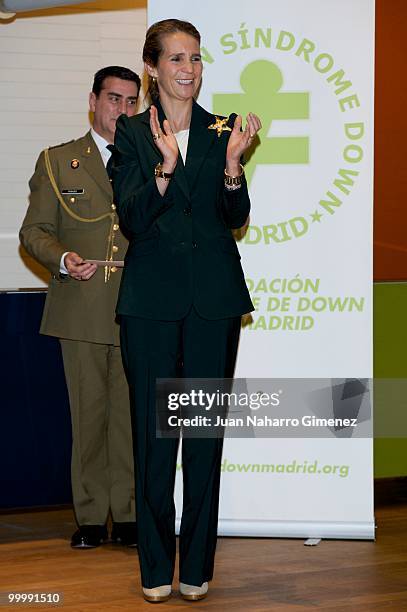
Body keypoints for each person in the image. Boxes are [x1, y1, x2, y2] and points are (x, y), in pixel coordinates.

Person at [111, 19, 261, 603]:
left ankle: (196, 568)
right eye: (176, 59)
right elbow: (133, 218)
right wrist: (166, 168)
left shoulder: (222, 127)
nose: (189, 70)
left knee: (202, 444)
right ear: (152, 67)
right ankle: (154, 569)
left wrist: (230, 167)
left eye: (196, 59)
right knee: (155, 444)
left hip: (213, 307)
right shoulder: (129, 133)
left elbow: (233, 216)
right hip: (150, 307)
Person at [19, 66, 141, 549]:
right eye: (114, 99)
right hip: (82, 306)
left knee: (130, 419)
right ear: (93, 101)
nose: (123, 110)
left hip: (137, 307)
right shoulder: (58, 160)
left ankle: (129, 515)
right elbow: (34, 232)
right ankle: (91, 517)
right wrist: (63, 259)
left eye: (132, 101)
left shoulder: (153, 159)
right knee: (89, 417)